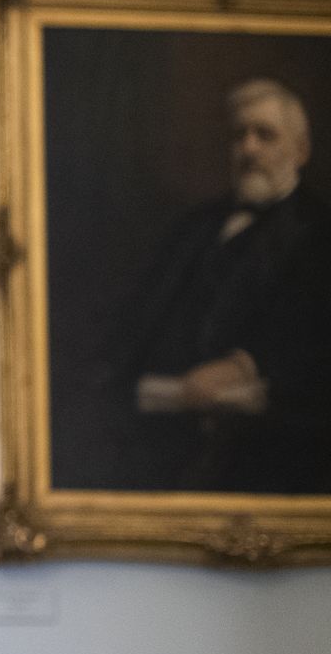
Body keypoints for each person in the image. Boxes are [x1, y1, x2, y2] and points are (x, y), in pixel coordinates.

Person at [87, 79, 331, 493]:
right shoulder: (194, 226)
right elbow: (138, 317)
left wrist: (243, 365)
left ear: (301, 151)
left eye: (265, 135)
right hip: (158, 416)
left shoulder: (320, 231)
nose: (249, 149)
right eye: (239, 136)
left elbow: (314, 333)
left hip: (261, 436)